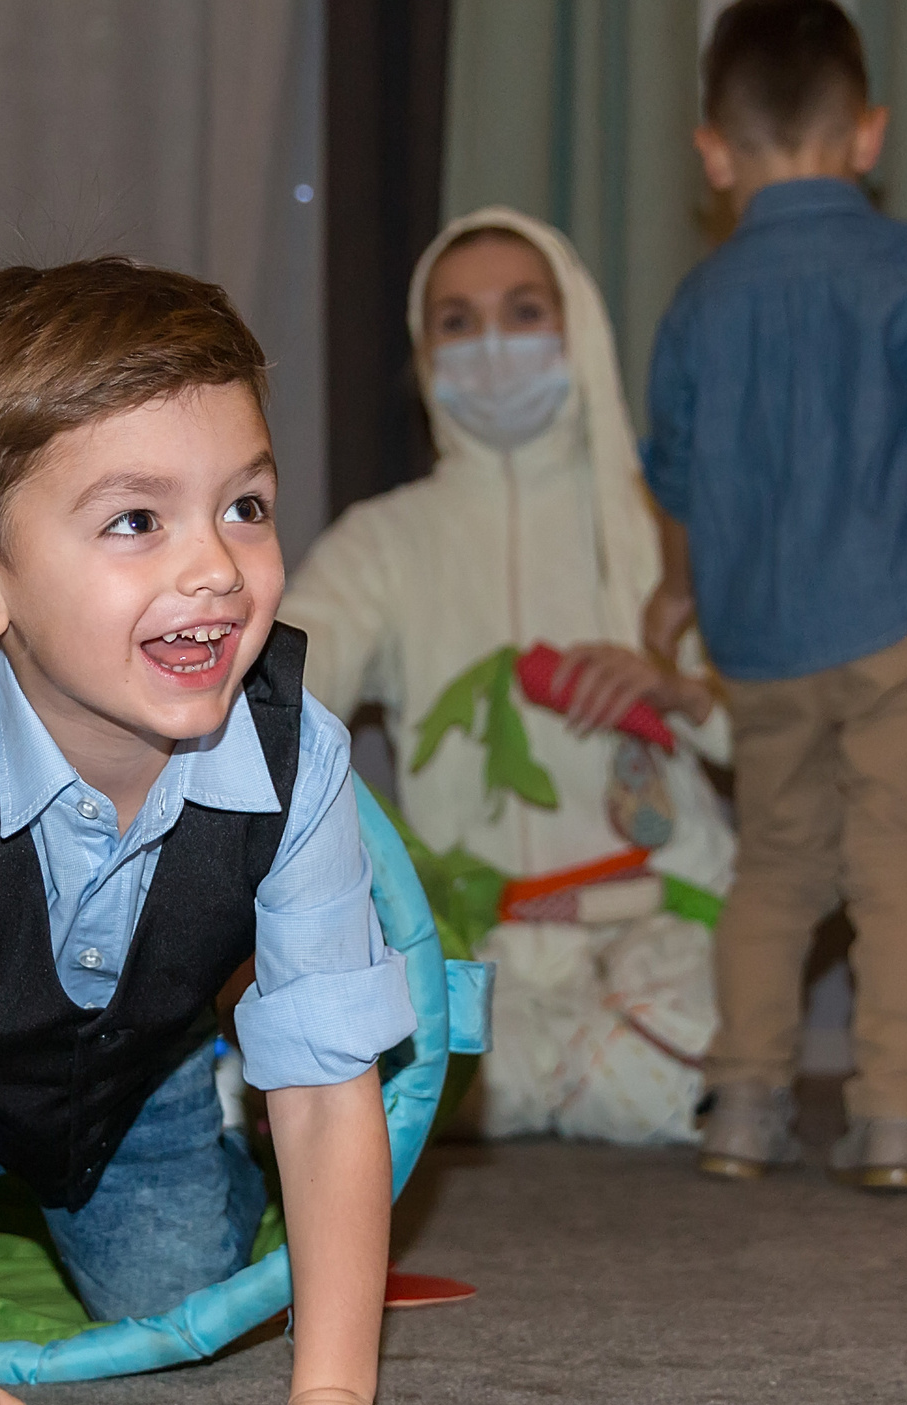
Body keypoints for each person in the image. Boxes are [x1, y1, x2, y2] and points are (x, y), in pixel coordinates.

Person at [0, 257, 487, 1405]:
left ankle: (203, 1102)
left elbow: (326, 1095)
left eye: (245, 506)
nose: (216, 569)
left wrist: (335, 1395)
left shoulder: (297, 754)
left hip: (137, 1070)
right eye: (137, 521)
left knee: (180, 1295)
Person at [641, 0, 907, 1192]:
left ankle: (745, 1106)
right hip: (906, 610)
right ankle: (896, 1118)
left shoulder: (698, 303)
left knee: (774, 866)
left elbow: (677, 475)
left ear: (714, 153)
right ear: (868, 134)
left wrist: (676, 589)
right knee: (895, 866)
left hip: (761, 635)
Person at [281, 208, 736, 1147]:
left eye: (524, 311)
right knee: (351, 1055)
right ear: (425, 353)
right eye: (458, 321)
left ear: (578, 328)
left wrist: (675, 689)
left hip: (654, 922)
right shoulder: (386, 539)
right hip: (474, 936)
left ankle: (528, 1083)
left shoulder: (668, 525)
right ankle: (546, 1073)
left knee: (703, 1052)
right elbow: (285, 693)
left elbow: (771, 732)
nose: (492, 344)